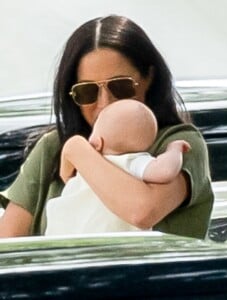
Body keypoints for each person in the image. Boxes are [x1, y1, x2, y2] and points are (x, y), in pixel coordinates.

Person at [0, 14, 214, 239]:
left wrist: (78, 151)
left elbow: (141, 211)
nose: (105, 103)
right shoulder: (52, 147)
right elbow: (7, 243)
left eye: (121, 86)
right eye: (87, 91)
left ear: (149, 78)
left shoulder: (178, 145)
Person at [45, 99, 190, 235]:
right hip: (111, 246)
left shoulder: (85, 167)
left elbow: (66, 178)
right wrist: (173, 150)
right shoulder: (134, 162)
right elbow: (165, 170)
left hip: (64, 236)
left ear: (97, 142)